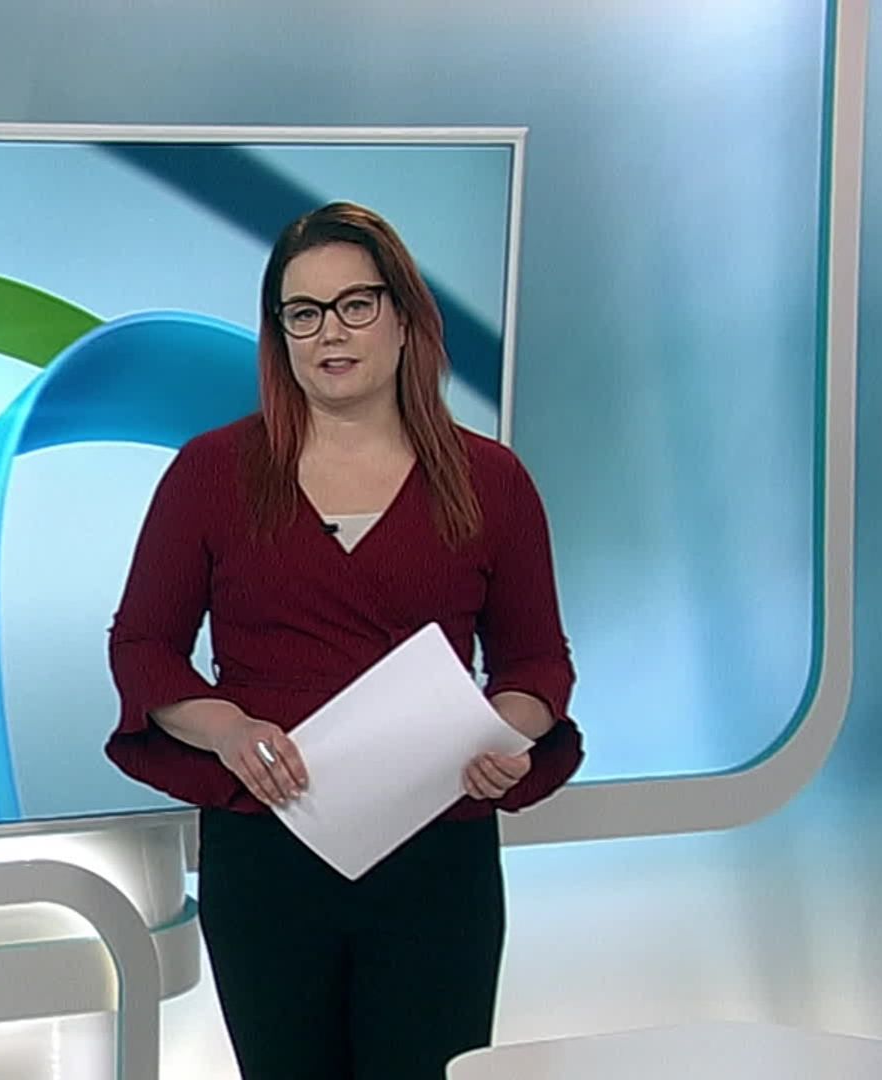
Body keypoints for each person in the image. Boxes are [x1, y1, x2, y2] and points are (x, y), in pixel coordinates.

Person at [104, 201, 582, 1079]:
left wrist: (504, 733)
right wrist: (228, 730)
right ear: (279, 334)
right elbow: (144, 647)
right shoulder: (212, 473)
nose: (331, 331)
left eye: (356, 304)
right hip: (269, 844)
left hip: (437, 851)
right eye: (304, 312)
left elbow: (537, 662)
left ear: (404, 317)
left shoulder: (491, 480)